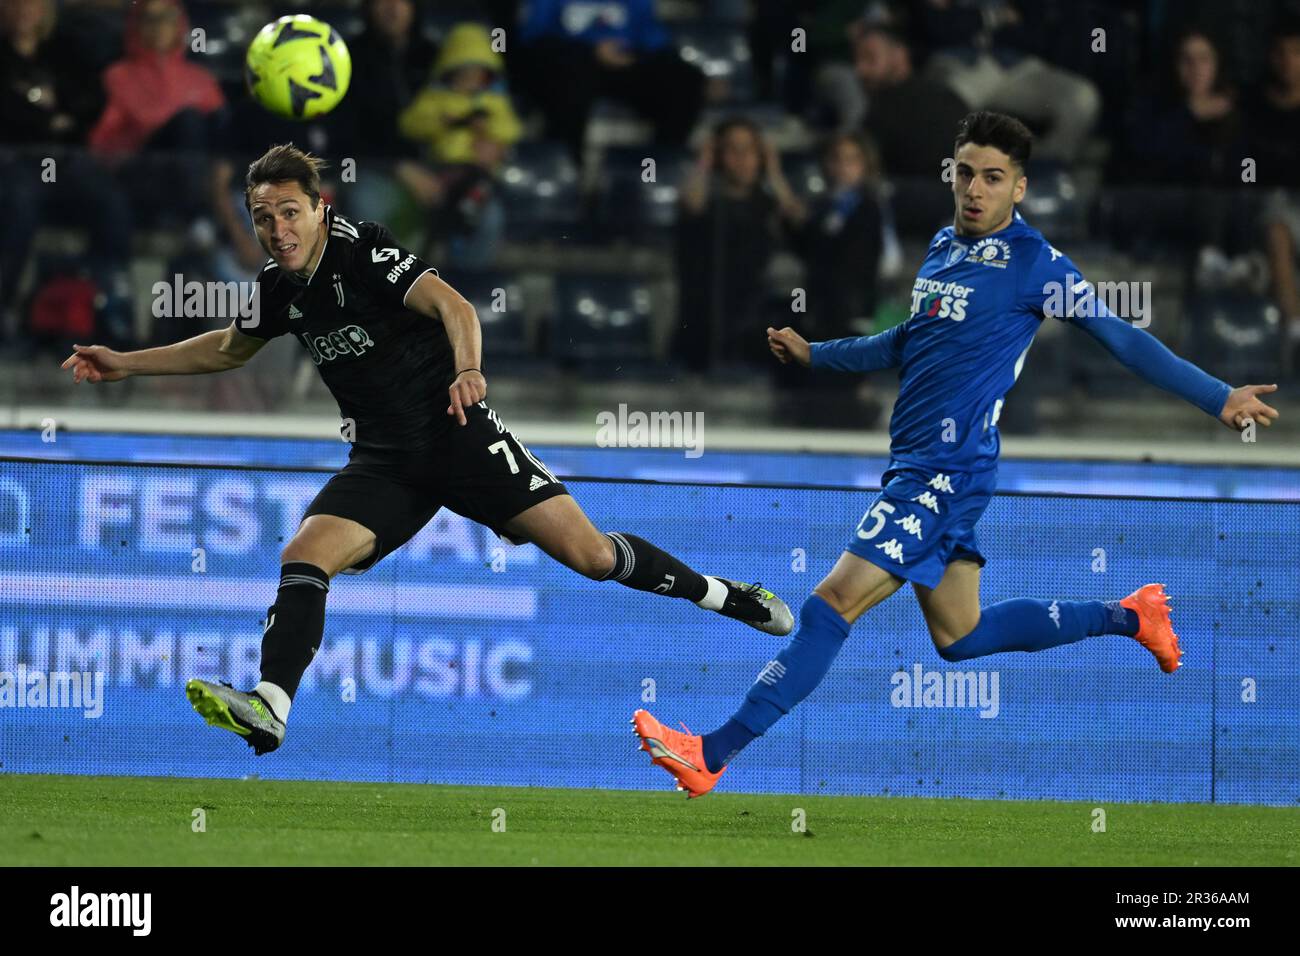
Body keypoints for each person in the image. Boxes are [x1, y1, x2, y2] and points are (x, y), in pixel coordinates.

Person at [60, 143, 795, 756]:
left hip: (460, 435)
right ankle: (272, 704)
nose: (277, 229)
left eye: (289, 211)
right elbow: (224, 349)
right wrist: (124, 362)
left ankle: (731, 596)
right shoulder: (279, 290)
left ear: (321, 209)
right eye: (262, 217)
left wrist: (469, 368)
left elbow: (455, 306)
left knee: (594, 558)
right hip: (385, 461)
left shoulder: (364, 251)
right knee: (305, 555)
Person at [632, 111, 1281, 798]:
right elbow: (907, 341)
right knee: (961, 635)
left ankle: (712, 752)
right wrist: (816, 353)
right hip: (920, 464)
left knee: (831, 604)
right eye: (965, 173)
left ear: (1020, 188)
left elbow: (1123, 338)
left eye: (992, 178)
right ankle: (1131, 616)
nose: (974, 189)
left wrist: (1218, 397)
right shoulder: (943, 246)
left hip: (947, 471)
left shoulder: (1038, 265)